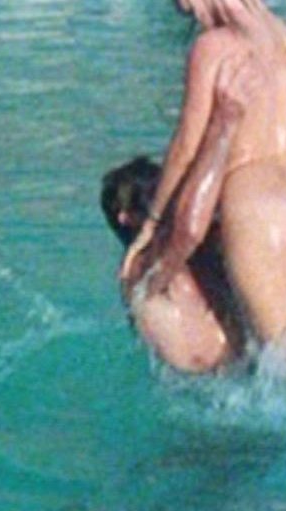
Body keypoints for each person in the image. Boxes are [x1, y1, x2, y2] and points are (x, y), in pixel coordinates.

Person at [120, 0, 286, 347]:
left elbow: (186, 148)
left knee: (283, 367)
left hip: (260, 213)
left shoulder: (213, 48)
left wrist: (152, 224)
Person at [100, 56, 258, 373]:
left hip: (236, 382)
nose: (166, 206)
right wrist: (224, 122)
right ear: (126, 217)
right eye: (152, 198)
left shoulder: (202, 254)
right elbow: (186, 233)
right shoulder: (139, 270)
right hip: (204, 389)